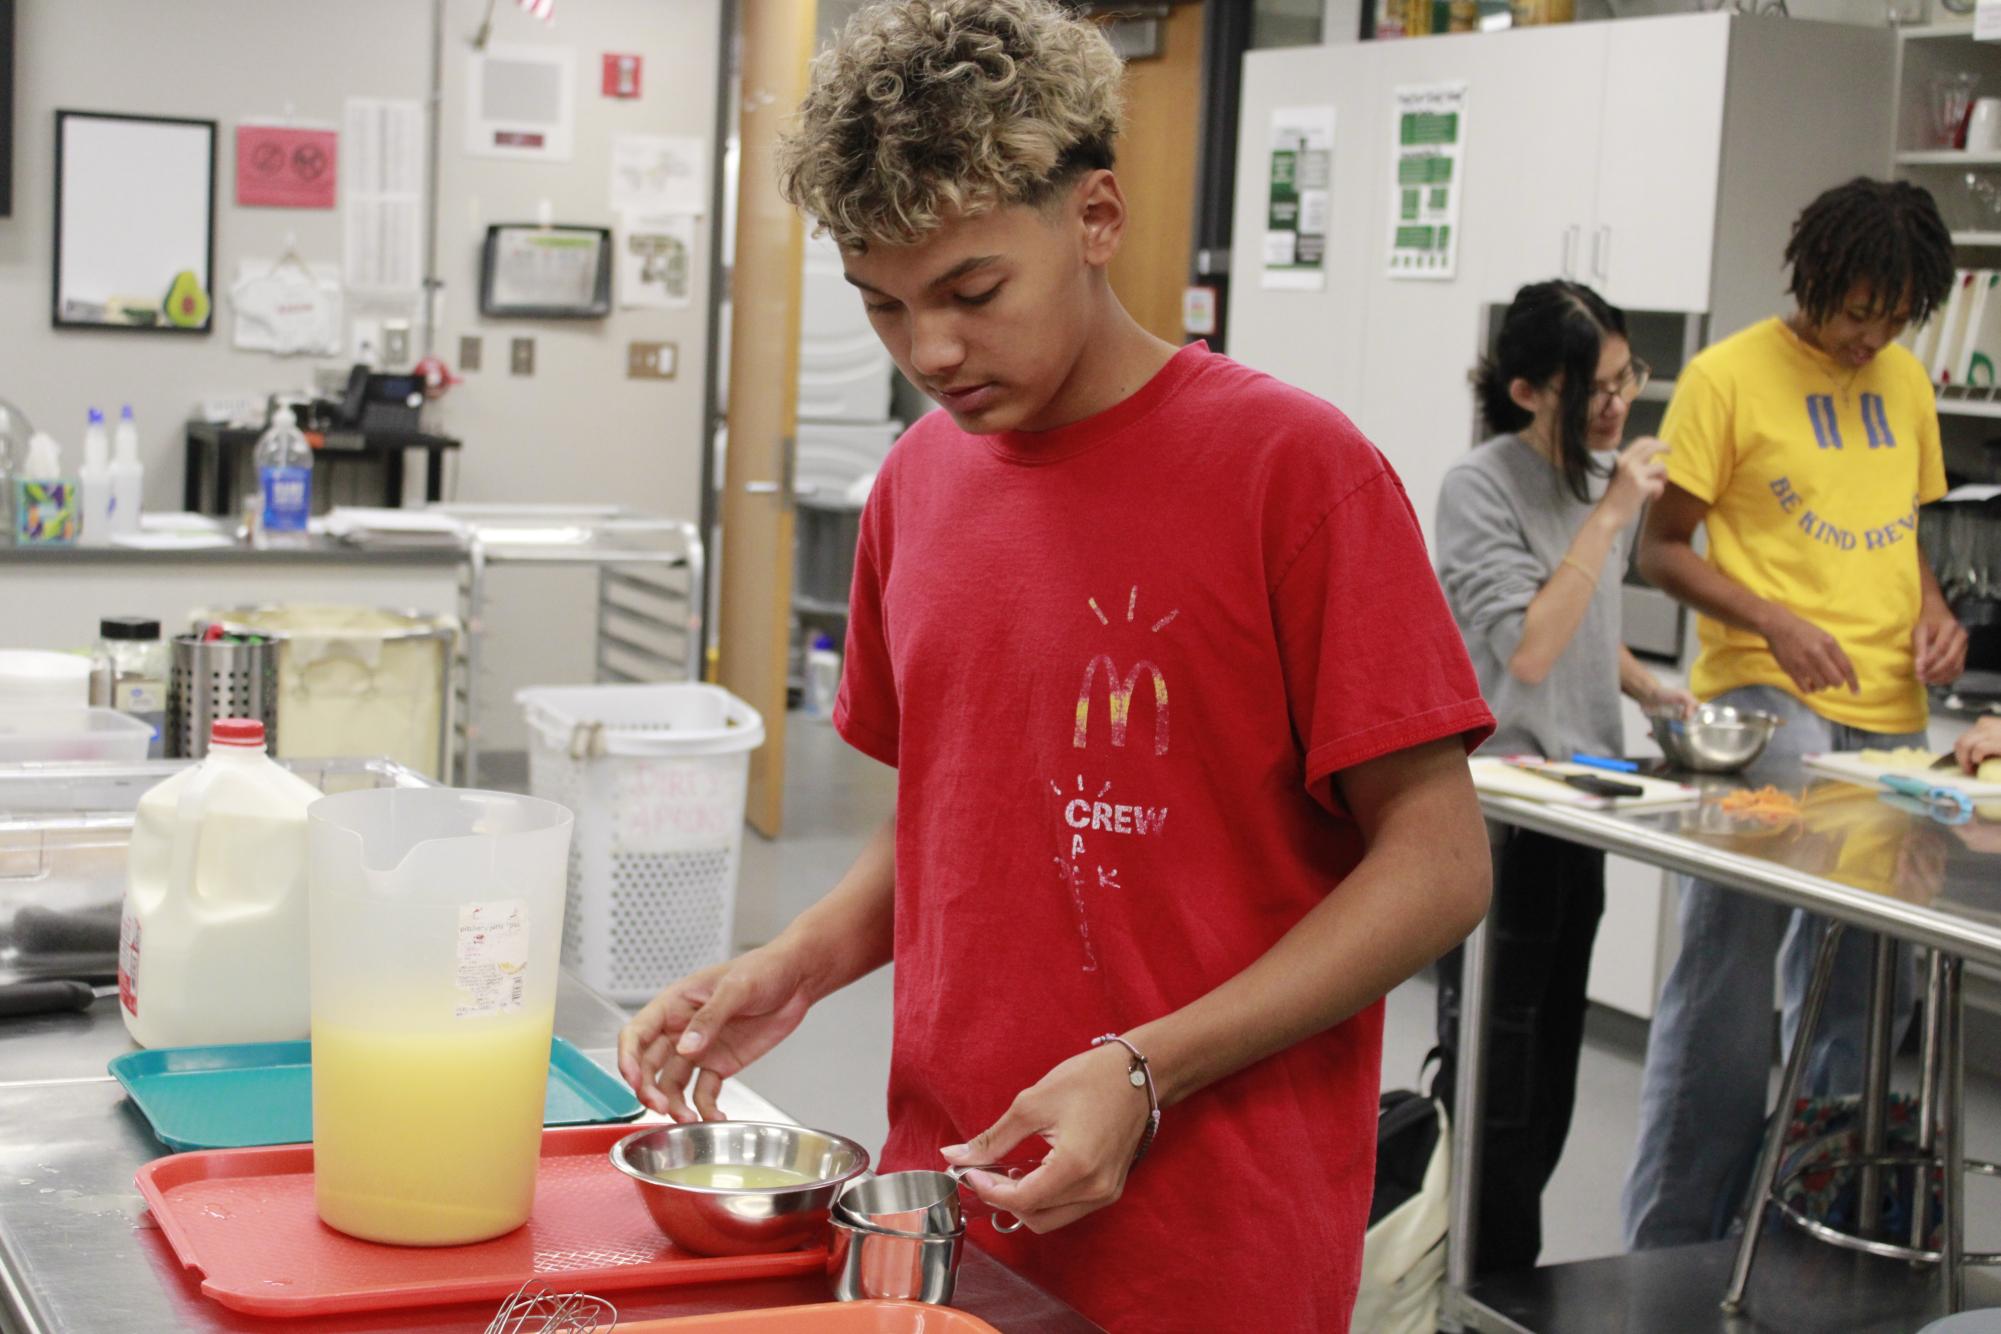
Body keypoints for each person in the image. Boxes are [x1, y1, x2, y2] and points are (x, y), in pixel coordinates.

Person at [616, 2, 1497, 1328]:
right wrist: (790, 962)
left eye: (973, 293)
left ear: (1095, 217)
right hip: (952, 1200)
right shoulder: (914, 486)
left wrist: (1145, 1069)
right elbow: (960, 818)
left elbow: (1437, 864)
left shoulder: (1292, 474)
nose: (931, 354)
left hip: (1213, 1227)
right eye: (885, 308)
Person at [1623, 178, 1967, 1249]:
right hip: (1769, 705)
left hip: (1893, 713)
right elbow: (1660, 548)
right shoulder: (1729, 378)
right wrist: (1771, 618)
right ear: (1812, 278)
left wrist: (1938, 612)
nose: (1871, 334)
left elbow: (1900, 535)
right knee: (1727, 985)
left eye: (1893, 315)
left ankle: (1808, 1226)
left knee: (1871, 994)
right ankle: (1675, 1243)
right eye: (1856, 308)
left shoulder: (1905, 381)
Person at [1432, 280, 1694, 1275]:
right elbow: (1531, 647)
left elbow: (1581, 624)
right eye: (1596, 386)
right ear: (1530, 388)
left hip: (1584, 803)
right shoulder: (1480, 487)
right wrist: (1617, 507)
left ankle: (1506, 1274)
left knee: (1548, 1077)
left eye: (1628, 381)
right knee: (1492, 1077)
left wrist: (1650, 686)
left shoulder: (1591, 479)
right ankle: (1479, 1281)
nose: (1618, 404)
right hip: (1501, 812)